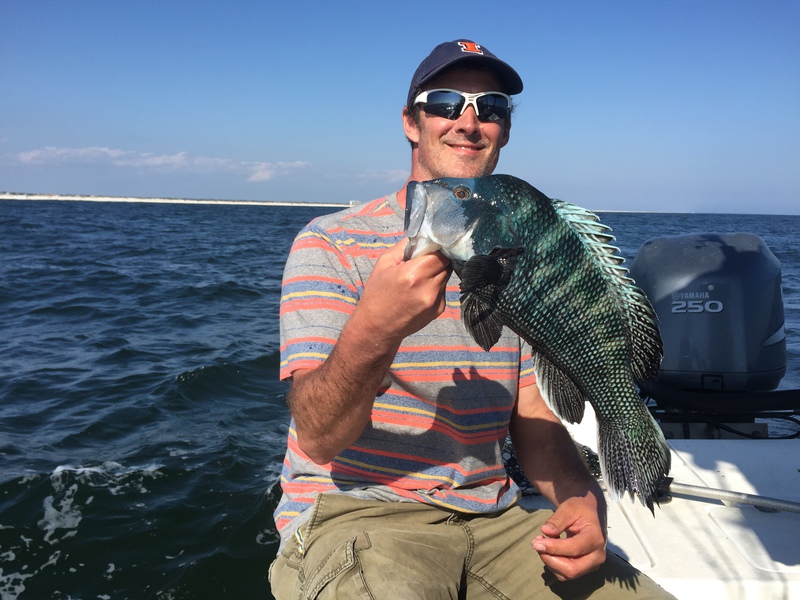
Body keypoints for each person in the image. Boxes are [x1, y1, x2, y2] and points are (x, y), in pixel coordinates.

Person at [270, 39, 675, 599]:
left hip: (498, 520)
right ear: (412, 122)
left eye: (491, 107)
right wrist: (377, 326)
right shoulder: (330, 243)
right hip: (362, 516)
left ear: (504, 131)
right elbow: (318, 437)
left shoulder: (520, 246)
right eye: (444, 102)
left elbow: (532, 412)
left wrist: (582, 500)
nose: (469, 120)